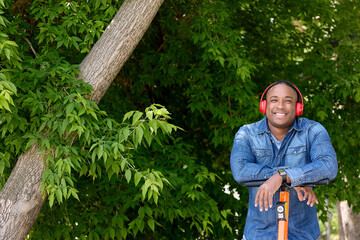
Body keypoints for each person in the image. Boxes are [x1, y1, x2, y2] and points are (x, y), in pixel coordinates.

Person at [230, 81, 338, 240]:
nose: (280, 106)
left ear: (297, 107)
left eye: (288, 101)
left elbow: (329, 166)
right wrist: (294, 176)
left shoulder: (313, 130)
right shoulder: (246, 133)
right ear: (264, 105)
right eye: (274, 100)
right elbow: (240, 171)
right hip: (258, 234)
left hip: (302, 234)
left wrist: (282, 177)